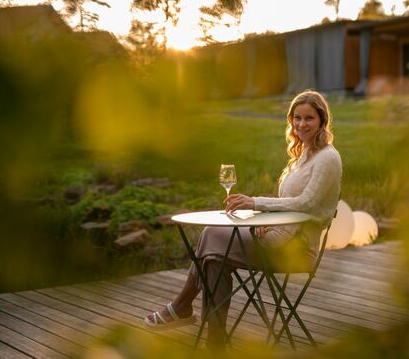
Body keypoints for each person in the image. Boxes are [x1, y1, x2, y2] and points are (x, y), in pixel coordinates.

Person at [143, 89, 342, 349]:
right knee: (215, 259)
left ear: (322, 121)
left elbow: (307, 204)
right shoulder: (302, 156)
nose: (301, 124)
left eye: (309, 119)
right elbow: (292, 206)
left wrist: (256, 203)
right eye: (297, 118)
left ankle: (181, 308)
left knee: (212, 236)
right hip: (277, 238)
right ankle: (214, 344)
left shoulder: (328, 158)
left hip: (297, 249)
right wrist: (266, 220)